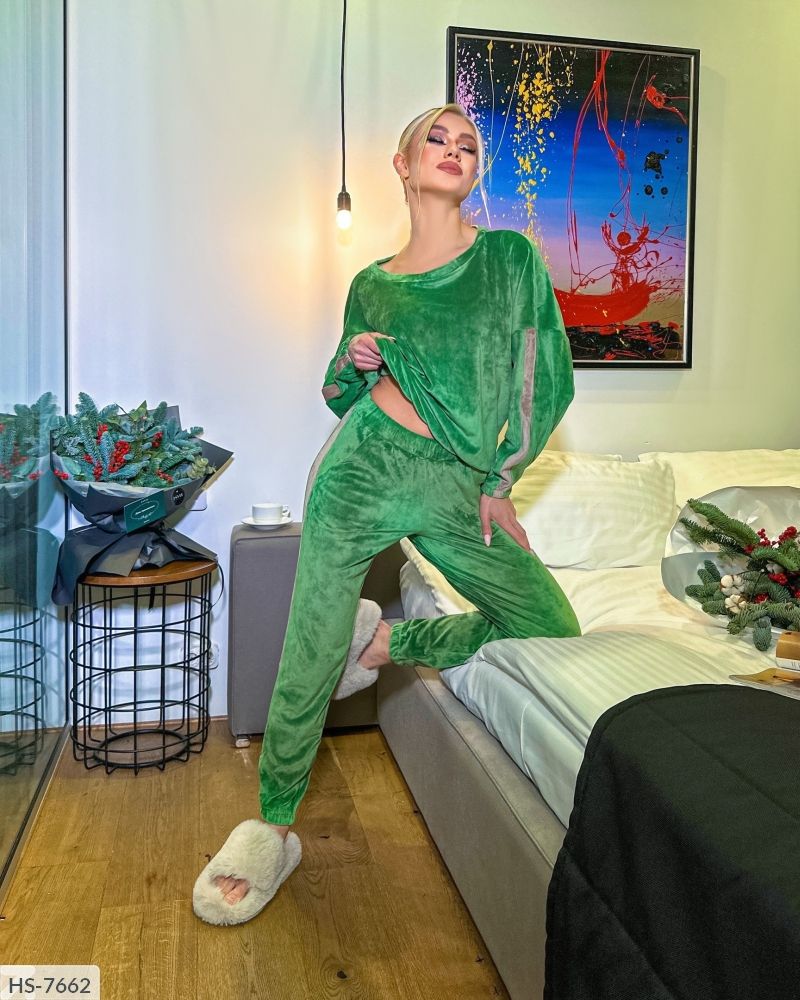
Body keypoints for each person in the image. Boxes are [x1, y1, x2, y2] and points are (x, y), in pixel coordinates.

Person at [192, 102, 582, 926]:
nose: (453, 149)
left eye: (467, 143)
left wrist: (502, 480)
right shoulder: (372, 283)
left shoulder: (508, 258)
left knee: (547, 620)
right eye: (435, 139)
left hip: (457, 482)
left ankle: (380, 644)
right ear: (402, 166)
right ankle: (271, 826)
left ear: (475, 171)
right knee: (309, 642)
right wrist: (355, 356)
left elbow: (543, 380)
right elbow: (341, 392)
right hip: (362, 468)